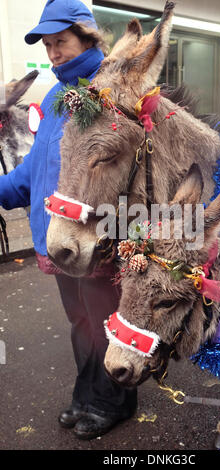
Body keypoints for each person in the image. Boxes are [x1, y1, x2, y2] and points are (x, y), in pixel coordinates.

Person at [0, 0, 137, 440]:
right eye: (48, 45)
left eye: (61, 42)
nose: (53, 53)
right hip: (55, 237)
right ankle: (87, 394)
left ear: (87, 38)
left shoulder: (108, 90)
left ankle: (114, 401)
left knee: (104, 323)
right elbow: (35, 168)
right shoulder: (59, 95)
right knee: (81, 322)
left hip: (92, 236)